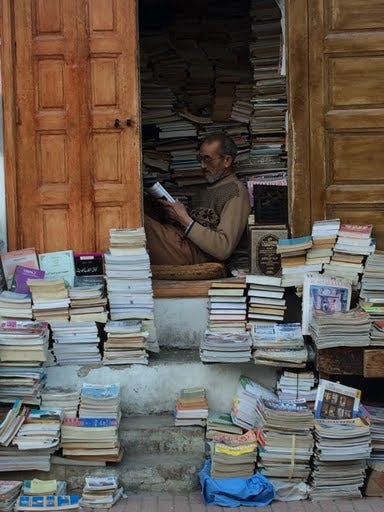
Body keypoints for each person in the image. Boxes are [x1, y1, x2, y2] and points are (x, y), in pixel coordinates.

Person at [144, 133, 251, 265]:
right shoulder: (205, 189)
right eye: (200, 159)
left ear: (227, 161)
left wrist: (184, 218)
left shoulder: (235, 191)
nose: (202, 166)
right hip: (183, 244)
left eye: (208, 159)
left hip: (197, 255)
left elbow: (223, 248)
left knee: (139, 222)